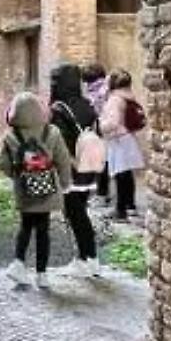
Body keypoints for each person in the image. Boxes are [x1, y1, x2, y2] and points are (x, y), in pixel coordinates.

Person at [0, 91, 72, 291]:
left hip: (25, 191)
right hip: (48, 189)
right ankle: (42, 275)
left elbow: (4, 164)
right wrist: (64, 183)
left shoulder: (10, 136)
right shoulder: (52, 132)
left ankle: (18, 262)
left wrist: (19, 176)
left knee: (25, 227)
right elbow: (63, 160)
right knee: (43, 231)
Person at [49, 62, 105, 280]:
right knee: (80, 212)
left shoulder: (59, 108)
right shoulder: (87, 104)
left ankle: (88, 260)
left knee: (75, 214)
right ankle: (87, 259)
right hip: (89, 167)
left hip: (71, 169)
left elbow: (59, 144)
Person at [100, 69, 147, 222]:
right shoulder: (128, 97)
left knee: (120, 175)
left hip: (118, 139)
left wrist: (100, 126)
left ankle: (120, 210)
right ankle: (130, 206)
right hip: (127, 138)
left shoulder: (115, 99)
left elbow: (113, 122)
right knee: (127, 174)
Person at [82, 62, 110, 202]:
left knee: (101, 161)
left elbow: (94, 111)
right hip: (105, 128)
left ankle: (102, 193)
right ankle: (101, 191)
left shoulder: (97, 91)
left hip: (100, 127)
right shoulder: (107, 86)